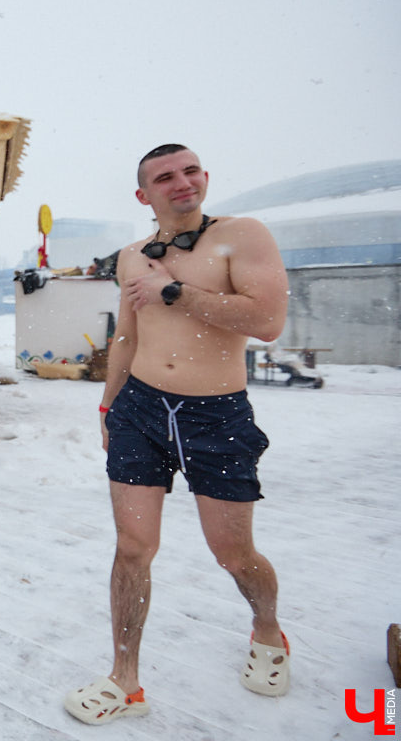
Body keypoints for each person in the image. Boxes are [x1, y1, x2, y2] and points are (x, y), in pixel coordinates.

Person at [64, 144, 291, 725]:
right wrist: (109, 405)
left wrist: (174, 292)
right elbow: (127, 337)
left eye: (190, 170)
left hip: (215, 414)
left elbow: (266, 322)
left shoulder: (243, 236)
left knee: (232, 553)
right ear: (145, 195)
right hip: (140, 409)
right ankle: (125, 680)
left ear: (206, 178)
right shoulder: (132, 255)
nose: (181, 182)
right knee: (133, 548)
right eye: (165, 177)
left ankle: (267, 630)